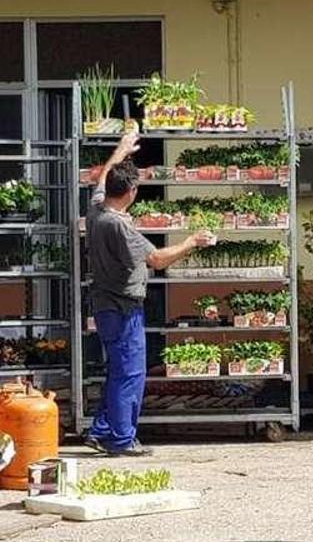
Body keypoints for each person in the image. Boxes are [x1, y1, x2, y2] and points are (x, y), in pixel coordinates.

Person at [84, 132, 216, 457]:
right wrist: (191, 242)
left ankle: (101, 431)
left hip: (104, 305)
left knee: (118, 369)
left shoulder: (96, 210)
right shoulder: (119, 226)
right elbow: (156, 259)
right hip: (124, 308)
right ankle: (122, 439)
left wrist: (122, 149)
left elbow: (104, 177)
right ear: (131, 192)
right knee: (130, 373)